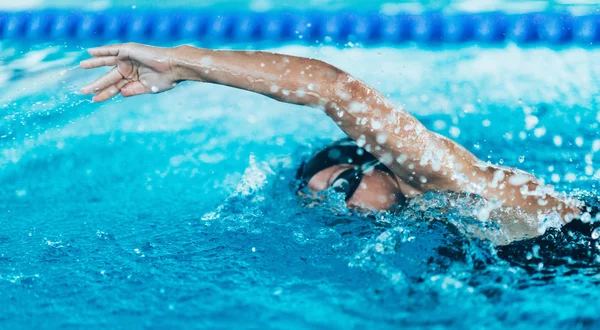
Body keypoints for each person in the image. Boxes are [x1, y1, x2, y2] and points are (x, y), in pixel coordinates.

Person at [80, 42, 592, 244]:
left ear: (379, 163)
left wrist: (186, 64)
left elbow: (333, 89)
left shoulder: (431, 174)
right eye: (325, 200)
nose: (339, 204)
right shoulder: (437, 218)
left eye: (343, 182)